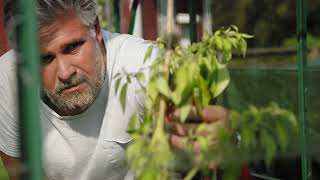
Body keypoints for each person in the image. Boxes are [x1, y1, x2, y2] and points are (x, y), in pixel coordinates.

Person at [0, 0, 227, 179]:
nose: (64, 72)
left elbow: (200, 147)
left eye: (72, 47)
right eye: (44, 59)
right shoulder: (7, 81)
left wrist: (221, 141)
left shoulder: (143, 66)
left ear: (96, 30)